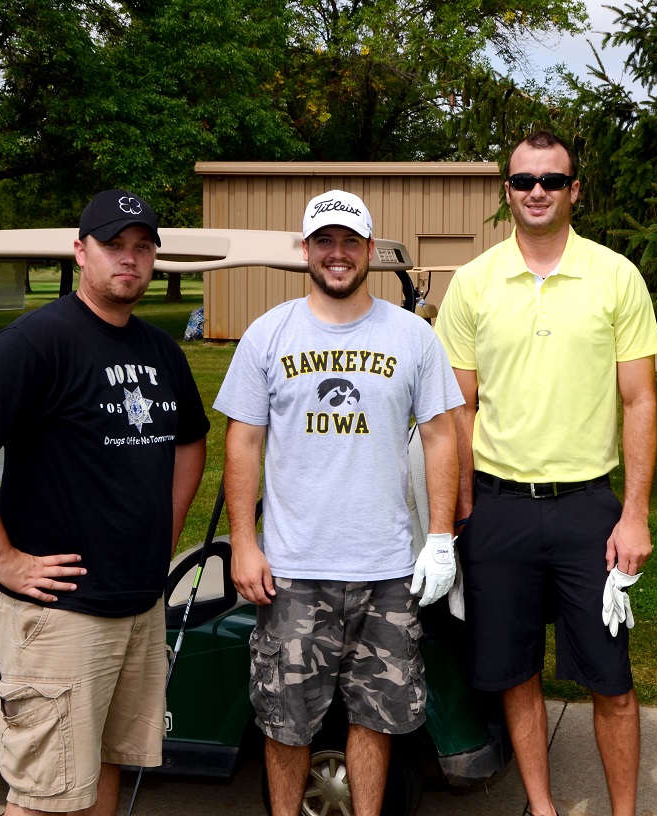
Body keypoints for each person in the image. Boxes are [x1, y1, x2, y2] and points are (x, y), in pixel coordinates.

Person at [0, 189, 210, 816]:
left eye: (142, 248)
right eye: (113, 246)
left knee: (102, 765)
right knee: (45, 793)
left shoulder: (160, 349)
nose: (128, 261)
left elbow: (191, 441)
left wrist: (166, 531)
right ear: (81, 252)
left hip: (136, 604)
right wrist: (3, 559)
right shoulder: (39, 340)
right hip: (60, 614)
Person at [214, 190, 462, 816]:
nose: (338, 253)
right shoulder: (267, 334)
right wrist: (244, 541)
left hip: (386, 569)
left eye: (351, 242)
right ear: (306, 250)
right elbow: (242, 439)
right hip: (295, 570)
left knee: (377, 716)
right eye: (324, 241)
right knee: (285, 720)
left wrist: (439, 536)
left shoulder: (412, 336)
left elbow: (439, 435)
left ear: (369, 251)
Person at [434, 131, 657, 816]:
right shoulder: (472, 283)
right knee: (514, 672)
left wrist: (636, 512)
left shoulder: (615, 276)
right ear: (507, 191)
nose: (537, 191)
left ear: (575, 190)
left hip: (590, 509)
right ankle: (543, 806)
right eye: (524, 180)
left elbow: (639, 399)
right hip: (499, 509)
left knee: (612, 680)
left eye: (552, 181)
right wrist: (458, 517)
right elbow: (458, 409)